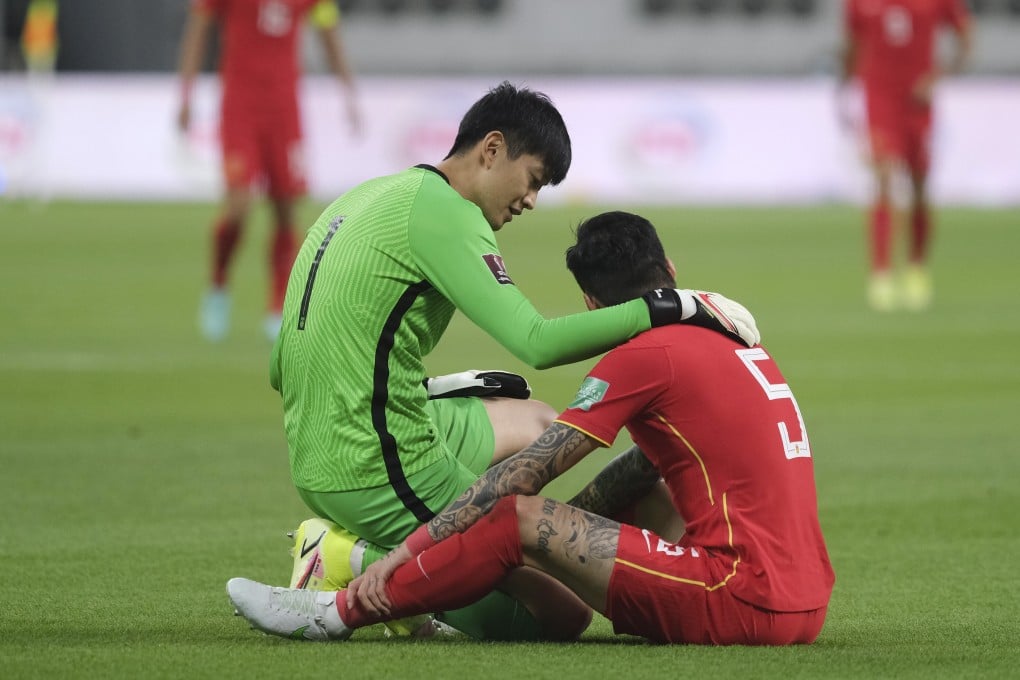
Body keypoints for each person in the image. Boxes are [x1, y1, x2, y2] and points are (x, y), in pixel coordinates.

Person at [268, 82, 762, 641]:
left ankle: (433, 530)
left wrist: (411, 386)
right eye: (533, 180)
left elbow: (281, 364)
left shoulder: (372, 196)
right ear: (492, 148)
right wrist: (673, 305)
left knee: (538, 422)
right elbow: (537, 342)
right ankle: (342, 558)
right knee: (559, 612)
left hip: (325, 430)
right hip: (369, 457)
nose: (531, 201)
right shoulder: (449, 217)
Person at [227, 210, 834, 645]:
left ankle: (338, 611)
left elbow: (520, 479)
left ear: (595, 307)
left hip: (741, 598)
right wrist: (564, 535)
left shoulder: (645, 356)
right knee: (651, 488)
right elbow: (647, 466)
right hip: (807, 600)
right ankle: (369, 573)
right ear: (670, 267)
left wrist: (414, 549)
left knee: (514, 514)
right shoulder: (733, 338)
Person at [176, 0, 360, 342]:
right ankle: (218, 285)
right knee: (239, 207)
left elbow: (328, 33)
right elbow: (198, 29)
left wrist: (348, 92)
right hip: (240, 107)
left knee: (286, 209)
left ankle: (278, 309)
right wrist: (185, 94)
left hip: (284, 108)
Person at [840, 0, 971, 312]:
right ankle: (881, 275)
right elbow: (853, 45)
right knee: (884, 178)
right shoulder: (859, 4)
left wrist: (938, 77)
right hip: (879, 98)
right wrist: (846, 90)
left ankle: (916, 267)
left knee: (919, 186)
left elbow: (966, 35)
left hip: (917, 102)